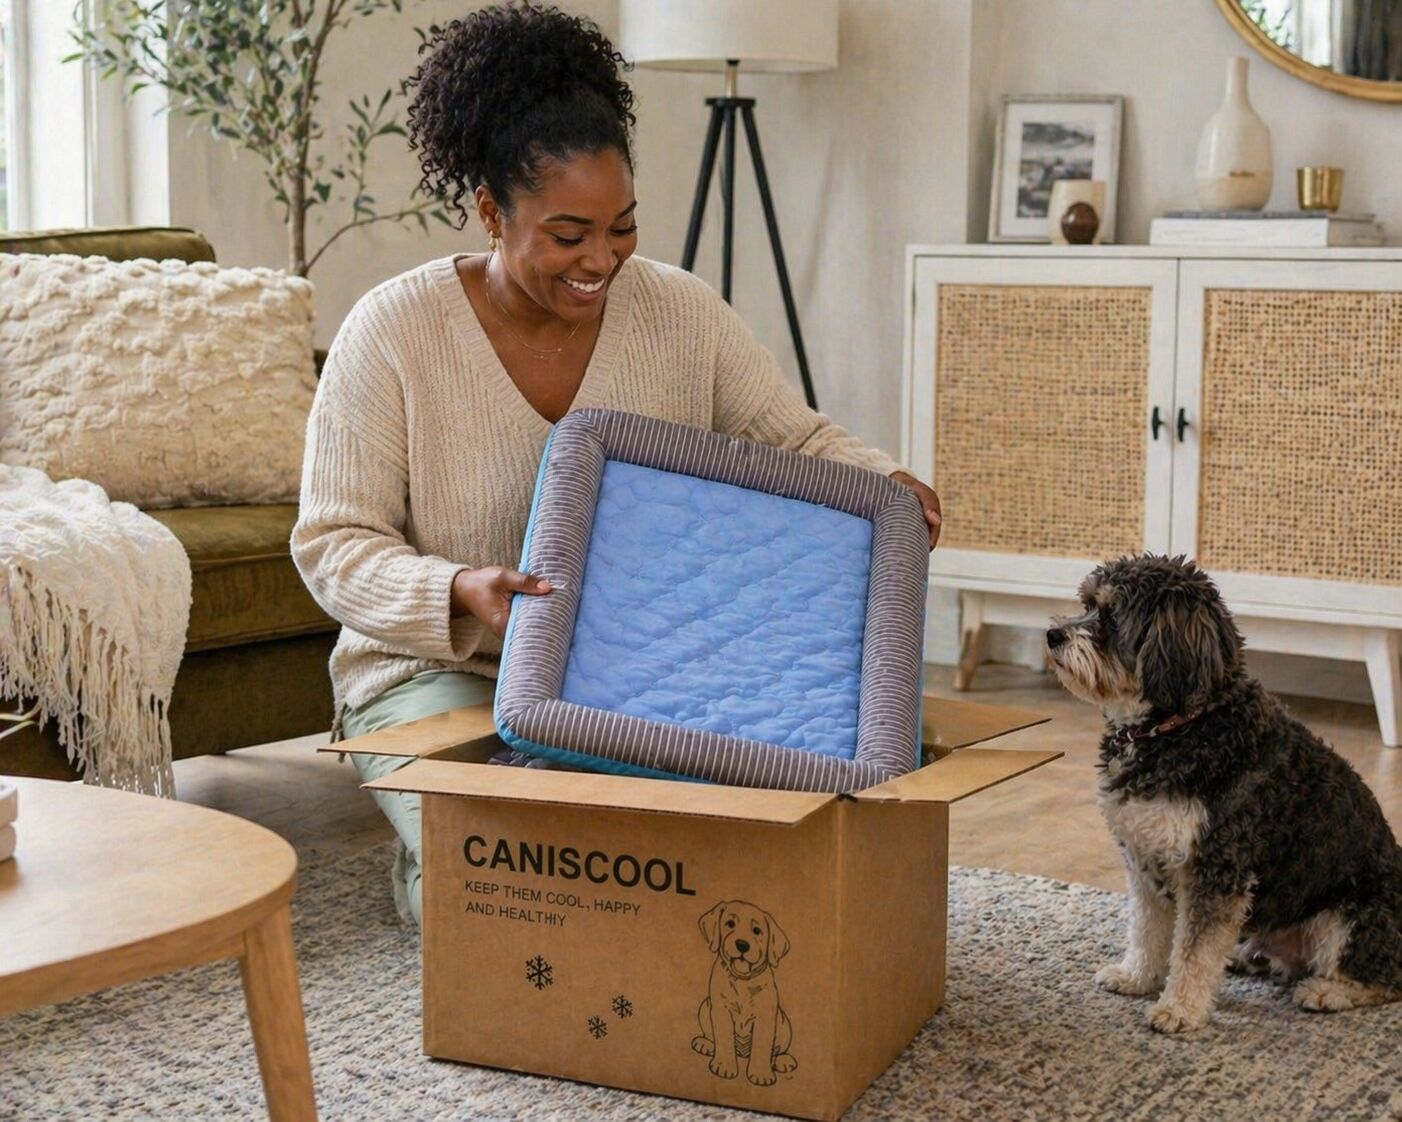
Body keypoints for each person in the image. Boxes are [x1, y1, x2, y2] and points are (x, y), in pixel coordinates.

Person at [291, 2, 942, 925]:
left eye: (622, 225)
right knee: (511, 898)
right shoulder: (392, 332)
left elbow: (795, 440)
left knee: (691, 883)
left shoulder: (679, 311)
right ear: (490, 211)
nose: (603, 258)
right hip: (438, 677)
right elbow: (333, 545)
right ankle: (428, 867)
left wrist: (886, 486)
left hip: (639, 682)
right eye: (568, 235)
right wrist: (459, 590)